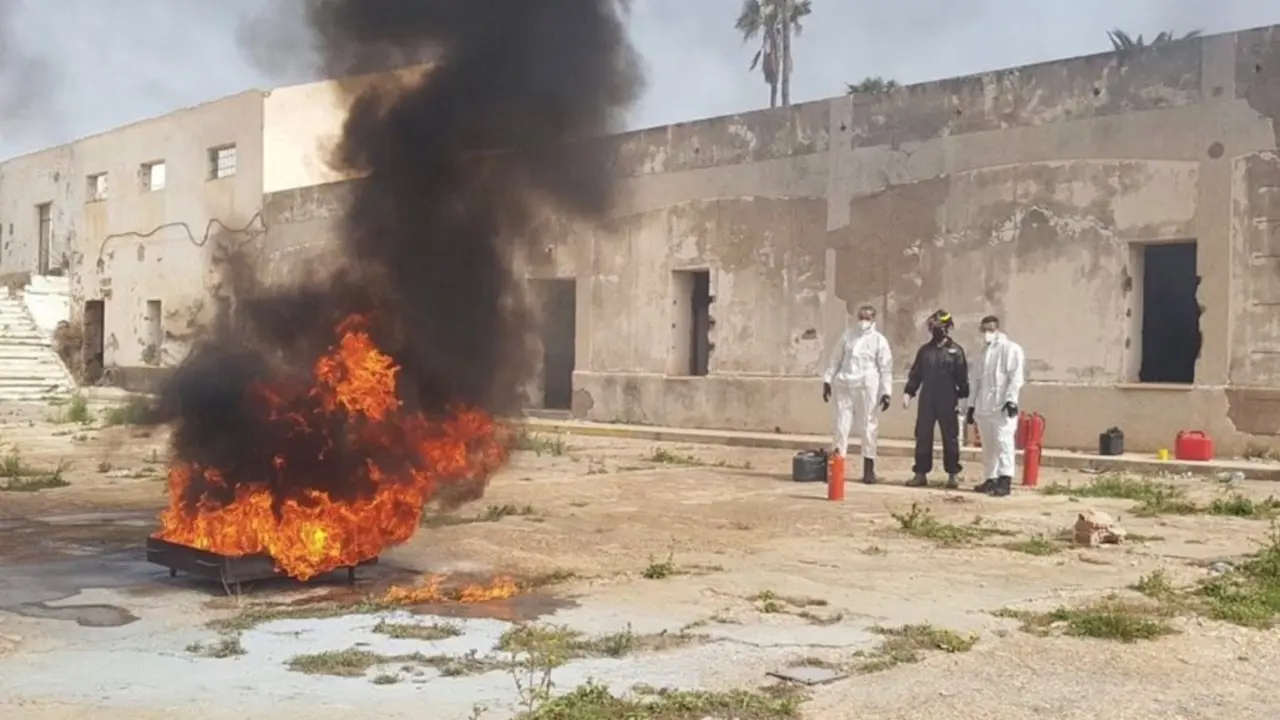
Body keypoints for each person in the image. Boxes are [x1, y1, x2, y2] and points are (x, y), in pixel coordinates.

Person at [822, 304, 892, 484]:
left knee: (868, 425)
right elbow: (835, 359)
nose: (863, 321)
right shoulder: (847, 336)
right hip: (844, 383)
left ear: (873, 319)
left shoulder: (879, 340)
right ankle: (837, 467)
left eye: (867, 318)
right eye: (861, 317)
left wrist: (887, 392)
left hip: (867, 385)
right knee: (841, 425)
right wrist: (827, 380)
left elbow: (885, 368)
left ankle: (869, 469)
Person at [902, 310, 968, 489]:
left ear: (948, 328)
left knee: (950, 436)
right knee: (923, 436)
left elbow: (962, 378)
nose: (936, 330)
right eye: (933, 327)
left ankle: (953, 474)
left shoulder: (956, 351)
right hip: (927, 400)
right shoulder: (925, 351)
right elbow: (916, 374)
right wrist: (908, 392)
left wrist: (963, 399)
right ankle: (920, 473)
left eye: (940, 327)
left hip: (948, 400)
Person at [966, 315, 1026, 497]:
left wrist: (1011, 400)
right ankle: (990, 478)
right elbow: (975, 381)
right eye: (984, 329)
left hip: (1002, 407)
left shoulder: (1010, 349)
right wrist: (971, 405)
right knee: (988, 445)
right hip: (984, 407)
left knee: (1003, 442)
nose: (987, 333)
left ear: (998, 329)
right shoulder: (982, 353)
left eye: (990, 329)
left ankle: (1005, 479)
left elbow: (1015, 377)